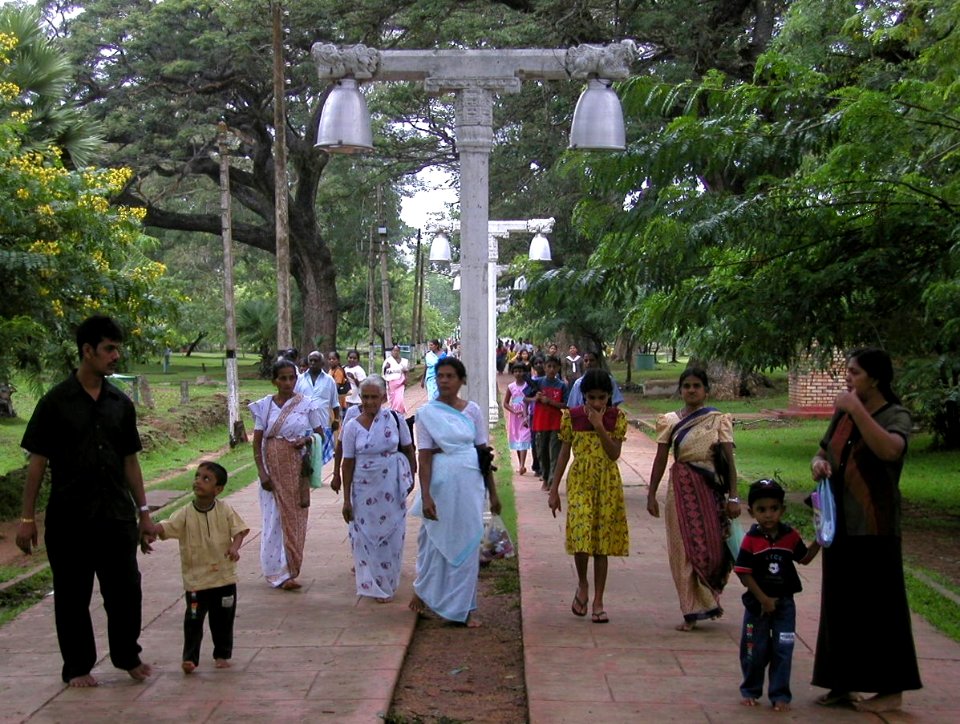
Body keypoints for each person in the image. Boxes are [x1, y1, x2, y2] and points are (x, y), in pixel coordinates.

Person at [16, 315, 157, 686]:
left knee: (126, 591)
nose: (115, 356)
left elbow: (130, 460)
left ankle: (128, 655)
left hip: (115, 515)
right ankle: (78, 666)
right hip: (70, 518)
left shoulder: (120, 405)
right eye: (109, 349)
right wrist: (27, 518)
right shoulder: (55, 403)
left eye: (117, 349)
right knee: (72, 596)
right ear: (87, 350)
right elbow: (37, 463)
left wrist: (144, 513)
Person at [809, 348, 921, 713]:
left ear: (875, 378)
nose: (848, 379)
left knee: (881, 607)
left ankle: (891, 689)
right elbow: (824, 451)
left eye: (854, 373)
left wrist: (857, 411)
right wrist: (819, 464)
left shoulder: (894, 415)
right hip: (839, 521)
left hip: (875, 525)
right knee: (841, 604)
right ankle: (841, 682)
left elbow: (890, 450)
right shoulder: (844, 412)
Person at [409, 357, 501, 626]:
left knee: (468, 540)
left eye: (450, 376)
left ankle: (463, 609)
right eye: (440, 376)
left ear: (461, 380)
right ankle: (424, 593)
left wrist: (492, 494)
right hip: (440, 484)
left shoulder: (472, 411)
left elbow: (484, 453)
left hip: (470, 484)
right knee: (432, 541)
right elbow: (424, 457)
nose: (445, 381)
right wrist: (425, 495)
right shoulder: (427, 413)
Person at [646, 368, 741, 631]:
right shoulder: (670, 420)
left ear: (705, 390)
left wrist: (734, 496)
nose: (691, 390)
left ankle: (708, 598)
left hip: (709, 489)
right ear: (681, 389)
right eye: (686, 386)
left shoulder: (717, 420)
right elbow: (661, 458)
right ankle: (690, 610)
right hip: (681, 489)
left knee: (709, 547)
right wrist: (651, 493)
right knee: (682, 549)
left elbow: (729, 463)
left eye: (696, 386)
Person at [150, 462, 249, 674]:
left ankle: (222, 654)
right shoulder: (185, 513)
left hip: (224, 580)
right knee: (193, 619)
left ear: (218, 489)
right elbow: (168, 526)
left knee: (223, 620)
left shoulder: (225, 510)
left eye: (206, 479)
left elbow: (239, 530)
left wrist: (234, 547)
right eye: (197, 476)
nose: (198, 481)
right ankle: (190, 658)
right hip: (196, 582)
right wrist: (152, 530)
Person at [548, 369, 629, 624]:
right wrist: (553, 489)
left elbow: (614, 453)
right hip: (581, 481)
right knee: (581, 537)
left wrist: (599, 426)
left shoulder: (617, 418)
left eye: (602, 398)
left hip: (607, 483)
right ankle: (583, 584)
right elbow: (563, 454)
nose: (597, 403)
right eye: (592, 397)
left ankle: (599, 600)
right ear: (583, 396)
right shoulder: (570, 418)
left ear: (609, 397)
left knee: (601, 544)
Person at [735, 479, 819, 712]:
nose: (769, 515)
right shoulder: (751, 540)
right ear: (752, 512)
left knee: (784, 647)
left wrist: (820, 539)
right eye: (762, 509)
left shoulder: (789, 537)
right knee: (753, 648)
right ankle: (751, 690)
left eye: (774, 508)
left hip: (784, 606)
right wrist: (763, 599)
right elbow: (744, 574)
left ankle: (780, 694)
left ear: (782, 510)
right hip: (756, 606)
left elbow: (804, 558)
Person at [340, 376, 417, 602]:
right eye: (365, 397)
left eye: (375, 397)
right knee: (365, 534)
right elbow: (348, 462)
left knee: (392, 533)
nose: (370, 402)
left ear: (384, 397)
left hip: (391, 485)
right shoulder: (352, 426)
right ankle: (372, 583)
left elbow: (408, 448)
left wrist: (410, 476)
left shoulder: (395, 419)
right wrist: (346, 499)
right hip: (363, 488)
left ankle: (387, 583)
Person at [249, 358, 323, 590]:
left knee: (295, 518)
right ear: (274, 381)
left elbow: (321, 433)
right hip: (273, 467)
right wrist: (262, 473)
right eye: (283, 378)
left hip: (296, 468)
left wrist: (308, 439)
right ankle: (274, 571)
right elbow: (258, 441)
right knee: (273, 519)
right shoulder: (264, 406)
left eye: (292, 377)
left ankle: (289, 570)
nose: (288, 382)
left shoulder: (306, 404)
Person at [525, 355, 568, 491]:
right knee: (541, 451)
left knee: (554, 453)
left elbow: (566, 405)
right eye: (549, 366)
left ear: (558, 369)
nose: (551, 369)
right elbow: (525, 398)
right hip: (540, 422)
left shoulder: (562, 385)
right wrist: (535, 398)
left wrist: (550, 402)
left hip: (556, 423)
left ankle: (551, 482)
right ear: (544, 367)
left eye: (554, 367)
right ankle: (545, 476)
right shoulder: (538, 382)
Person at [295, 350, 341, 470]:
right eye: (311, 360)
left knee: (318, 454)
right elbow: (293, 401)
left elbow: (335, 403)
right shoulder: (300, 380)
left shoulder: (329, 380)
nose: (313, 363)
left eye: (316, 361)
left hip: (322, 424)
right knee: (303, 454)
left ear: (322, 363)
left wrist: (336, 419)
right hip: (303, 424)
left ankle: (314, 475)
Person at [503, 362, 532, 475]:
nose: (518, 373)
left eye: (520, 371)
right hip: (515, 416)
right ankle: (521, 463)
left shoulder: (528, 386)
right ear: (513, 373)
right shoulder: (511, 387)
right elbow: (505, 403)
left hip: (526, 415)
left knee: (524, 437)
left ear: (524, 372)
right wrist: (513, 410)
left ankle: (522, 465)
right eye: (516, 371)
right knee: (517, 439)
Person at [382, 345, 409, 414]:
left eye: (397, 350)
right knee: (393, 400)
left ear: (399, 351)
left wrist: (406, 379)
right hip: (392, 384)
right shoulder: (388, 361)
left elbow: (406, 372)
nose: (395, 352)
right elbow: (384, 373)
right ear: (391, 352)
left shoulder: (404, 361)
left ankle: (399, 412)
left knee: (400, 399)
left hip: (400, 383)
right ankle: (394, 412)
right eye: (394, 350)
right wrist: (386, 368)